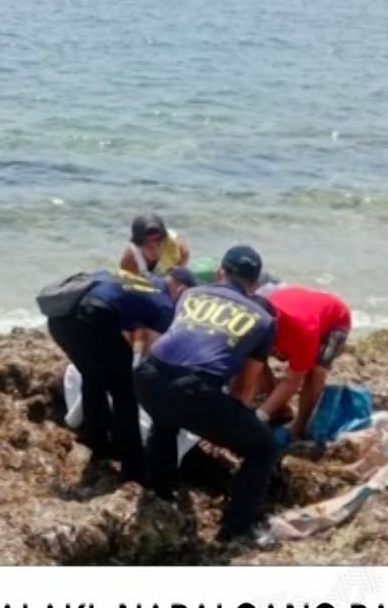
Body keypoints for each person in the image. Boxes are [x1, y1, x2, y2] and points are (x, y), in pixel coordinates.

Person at [134, 245, 281, 546]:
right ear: (255, 284)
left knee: (165, 421)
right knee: (263, 449)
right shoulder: (263, 320)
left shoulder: (190, 294)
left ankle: (159, 493)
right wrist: (229, 428)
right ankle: (236, 528)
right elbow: (243, 389)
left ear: (219, 273)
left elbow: (179, 340)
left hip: (147, 377)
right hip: (193, 391)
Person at [43, 266, 196, 481]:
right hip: (91, 320)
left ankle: (98, 445)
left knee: (93, 378)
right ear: (180, 289)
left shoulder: (136, 281)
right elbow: (159, 356)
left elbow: (126, 326)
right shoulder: (164, 304)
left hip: (59, 320)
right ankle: (132, 467)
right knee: (125, 392)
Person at [255, 284, 354, 442]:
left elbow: (292, 379)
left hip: (335, 320)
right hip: (295, 304)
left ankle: (300, 426)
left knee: (315, 371)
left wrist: (260, 415)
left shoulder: (303, 332)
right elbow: (252, 364)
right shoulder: (256, 320)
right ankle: (280, 410)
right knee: (256, 359)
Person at [118, 212, 191, 278]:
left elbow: (179, 276)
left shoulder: (179, 248)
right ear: (139, 244)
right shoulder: (129, 260)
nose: (155, 248)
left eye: (158, 241)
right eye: (148, 243)